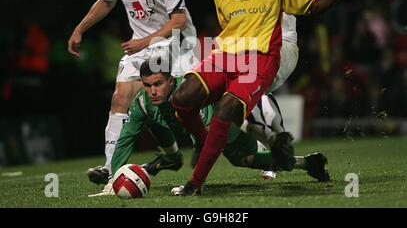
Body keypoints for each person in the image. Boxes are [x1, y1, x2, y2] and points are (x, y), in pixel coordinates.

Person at [171, 0, 356, 195]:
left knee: (225, 111)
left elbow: (314, 5)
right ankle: (209, 141)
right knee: (181, 99)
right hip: (224, 55)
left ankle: (195, 183)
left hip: (259, 59)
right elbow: (229, 27)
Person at [67, 0, 198, 188]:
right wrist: (79, 29)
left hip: (174, 43)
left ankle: (209, 149)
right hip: (142, 45)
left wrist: (145, 42)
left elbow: (179, 21)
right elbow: (105, 1)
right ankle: (110, 166)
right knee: (121, 97)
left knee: (174, 105)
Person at [88, 58, 330, 197]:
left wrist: (195, 183)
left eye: (158, 84)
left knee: (244, 160)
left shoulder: (187, 93)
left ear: (171, 81)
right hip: (194, 131)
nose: (153, 91)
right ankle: (304, 162)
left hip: (224, 120)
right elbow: (126, 139)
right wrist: (113, 177)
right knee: (154, 120)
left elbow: (206, 139)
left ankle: (296, 157)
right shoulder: (142, 102)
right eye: (148, 85)